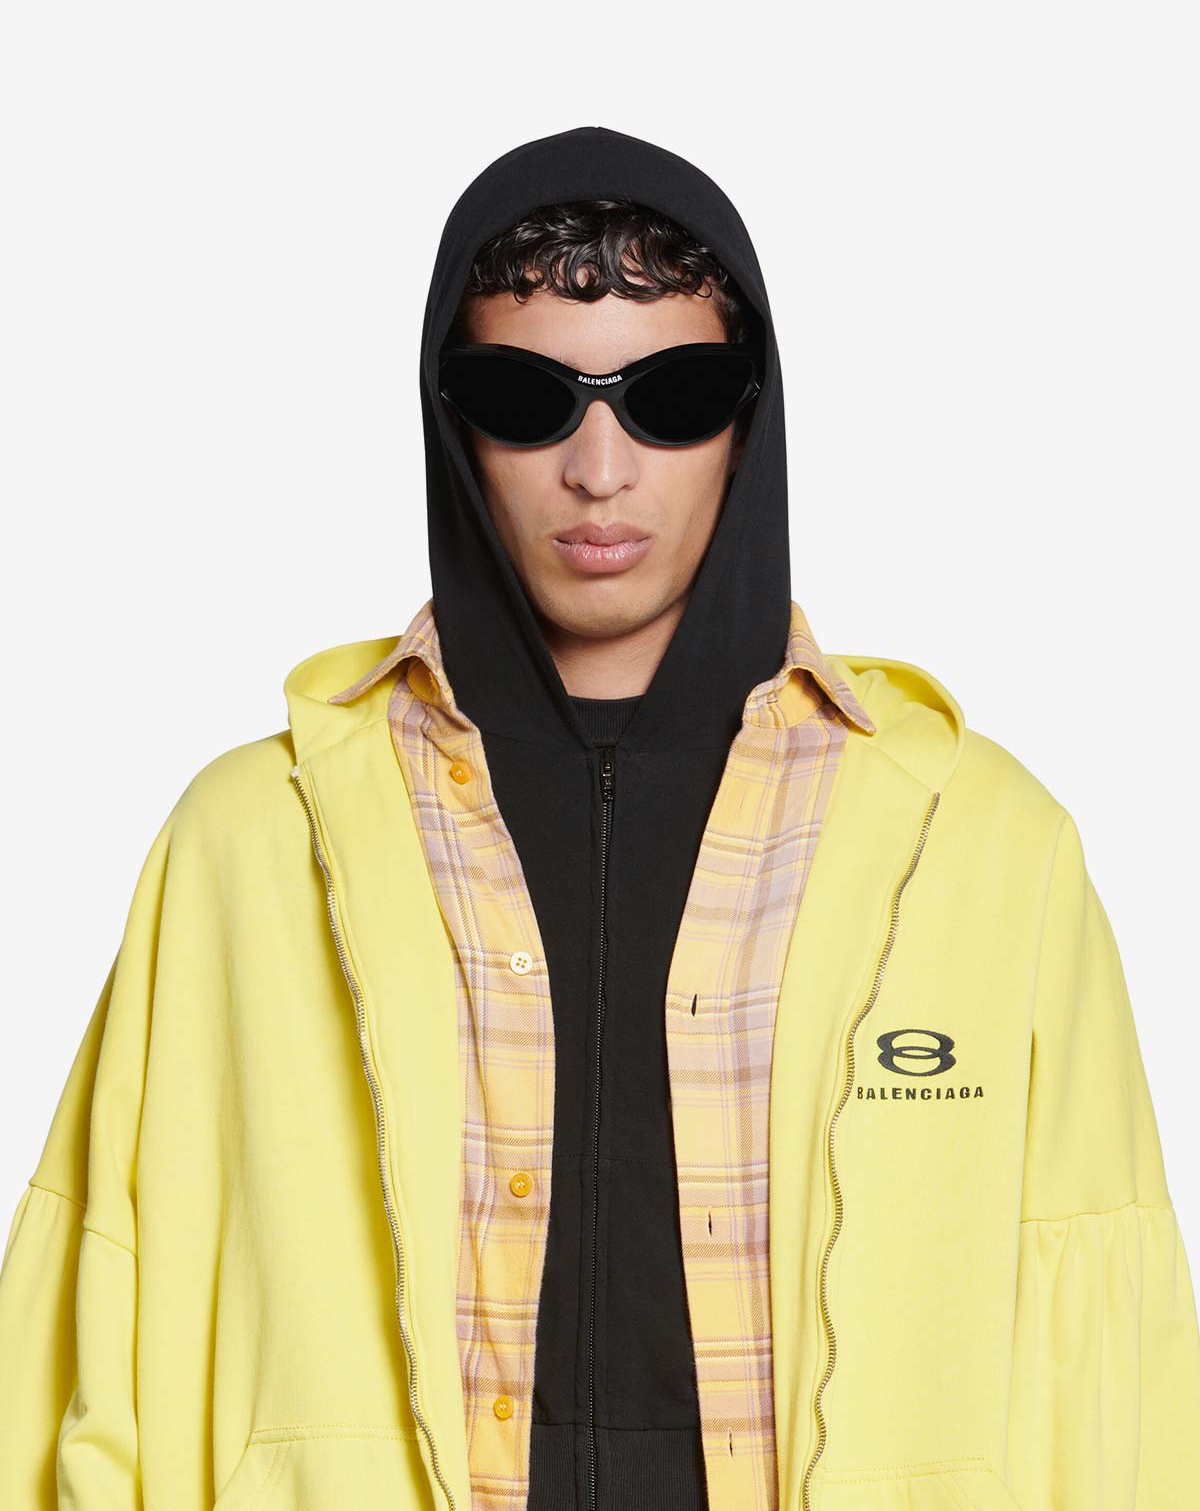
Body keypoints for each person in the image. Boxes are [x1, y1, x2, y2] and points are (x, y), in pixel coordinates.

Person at [1, 125, 1197, 1511]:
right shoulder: (250, 841)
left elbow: (1110, 1362)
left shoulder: (984, 846)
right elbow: (90, 1321)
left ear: (750, 421)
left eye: (673, 397)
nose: (600, 468)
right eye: (527, 399)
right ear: (453, 424)